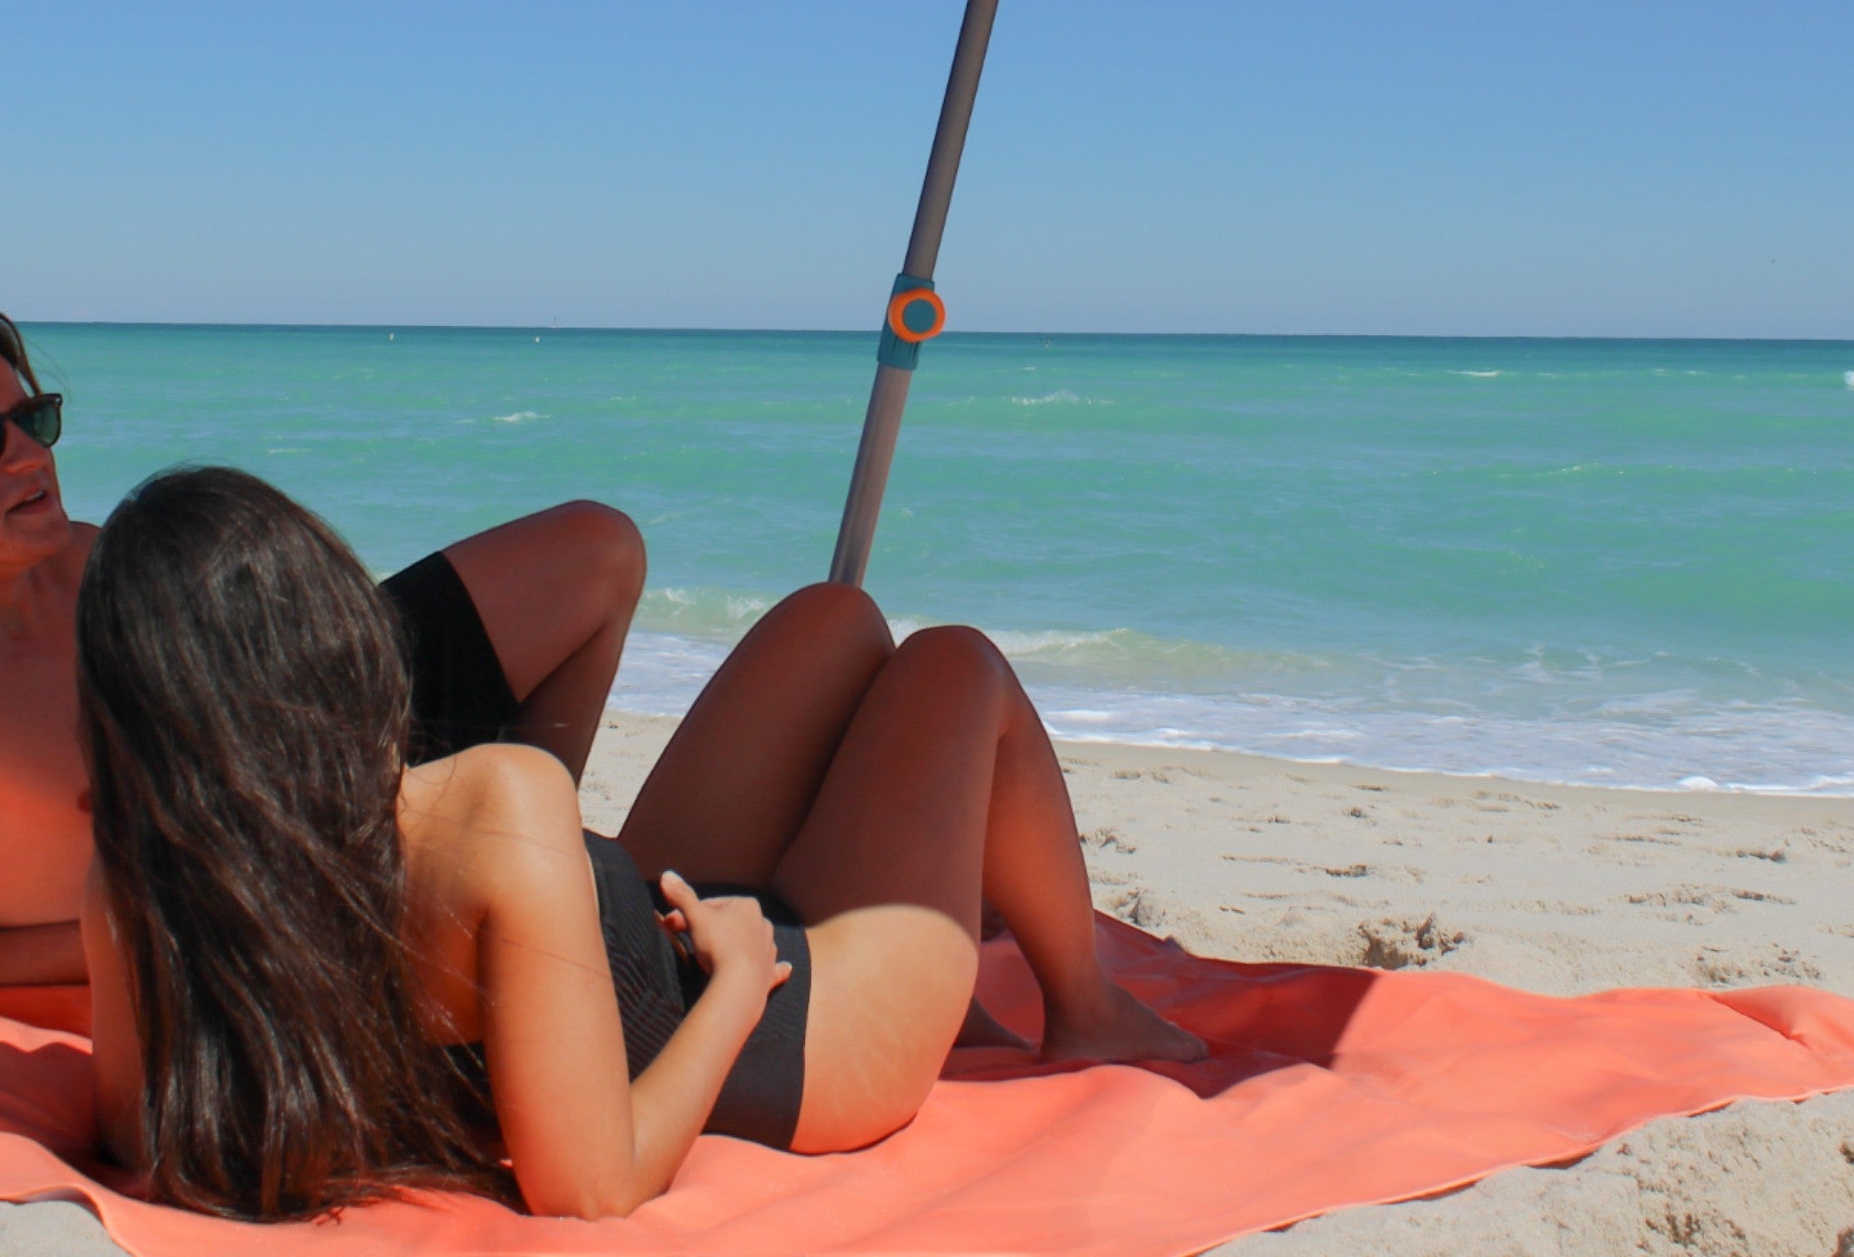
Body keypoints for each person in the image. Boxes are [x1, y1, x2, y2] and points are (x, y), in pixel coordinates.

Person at [77, 466, 1206, 1222]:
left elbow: (139, 1125)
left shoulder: (148, 878)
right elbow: (593, 1188)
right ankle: (1082, 1006)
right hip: (785, 1037)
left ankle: (943, 928)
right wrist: (734, 979)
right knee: (954, 665)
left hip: (631, 940)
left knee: (834, 619)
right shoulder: (486, 803)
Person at [0, 301, 647, 993]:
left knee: (595, 548)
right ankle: (557, 899)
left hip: (311, 786)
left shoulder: (90, 561)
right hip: (279, 903)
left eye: (34, 420)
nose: (30, 456)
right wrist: (137, 944)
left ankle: (552, 866)